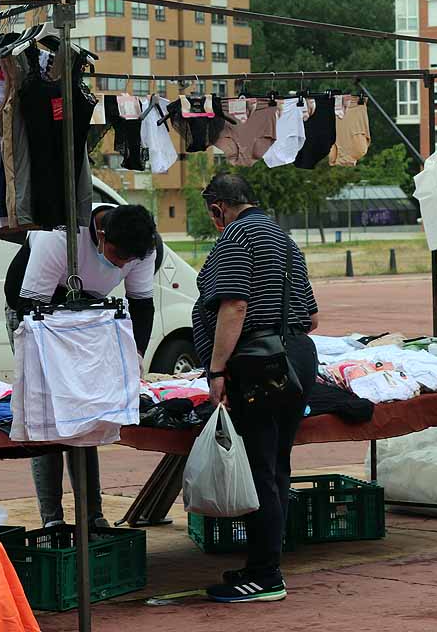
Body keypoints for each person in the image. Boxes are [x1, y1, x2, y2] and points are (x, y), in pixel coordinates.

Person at [193, 174, 319, 604]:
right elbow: (313, 316)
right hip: (297, 354)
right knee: (275, 466)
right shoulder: (283, 237)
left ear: (218, 209)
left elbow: (235, 304)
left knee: (260, 468)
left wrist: (216, 370)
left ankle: (266, 575)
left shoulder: (236, 235)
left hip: (260, 361)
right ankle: (262, 564)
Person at [3, 204, 158, 528]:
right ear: (101, 235)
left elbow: (141, 306)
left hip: (89, 313)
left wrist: (137, 356)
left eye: (128, 261)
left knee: (89, 412)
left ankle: (92, 514)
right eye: (117, 256)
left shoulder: (144, 248)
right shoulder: (59, 237)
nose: (120, 264)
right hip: (35, 309)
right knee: (47, 412)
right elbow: (30, 307)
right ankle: (52, 519)